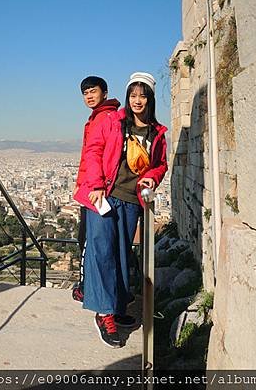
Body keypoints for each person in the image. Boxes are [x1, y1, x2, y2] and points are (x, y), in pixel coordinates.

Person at [74, 72, 168, 347]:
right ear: (127, 97)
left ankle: (114, 306)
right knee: (101, 250)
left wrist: (153, 176)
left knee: (121, 254)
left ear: (150, 99)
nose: (137, 101)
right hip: (105, 194)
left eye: (142, 96)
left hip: (130, 199)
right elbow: (94, 151)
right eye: (133, 95)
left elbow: (160, 163)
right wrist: (95, 184)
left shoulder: (157, 132)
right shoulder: (113, 121)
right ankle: (104, 314)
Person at [72, 76, 120, 303]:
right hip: (92, 187)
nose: (89, 96)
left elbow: (96, 154)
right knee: (93, 241)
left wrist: (96, 185)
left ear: (105, 92)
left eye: (93, 91)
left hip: (96, 190)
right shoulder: (103, 116)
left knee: (89, 242)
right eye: (85, 93)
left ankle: (87, 288)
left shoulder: (103, 117)